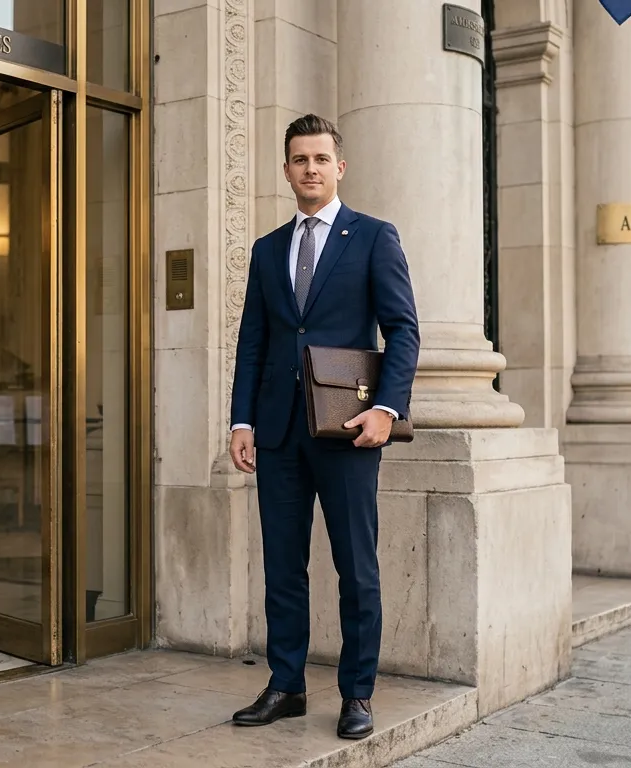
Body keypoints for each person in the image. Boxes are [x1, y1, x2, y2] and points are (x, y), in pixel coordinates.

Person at [227, 114, 419, 740]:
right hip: (278, 433)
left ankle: (357, 694)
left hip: (348, 430)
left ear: (340, 166)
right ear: (286, 170)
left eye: (320, 158)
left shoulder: (373, 237)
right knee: (283, 567)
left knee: (355, 568)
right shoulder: (266, 249)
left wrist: (386, 411)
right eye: (298, 159)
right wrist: (242, 419)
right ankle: (286, 685)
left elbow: (403, 330)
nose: (309, 168)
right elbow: (252, 341)